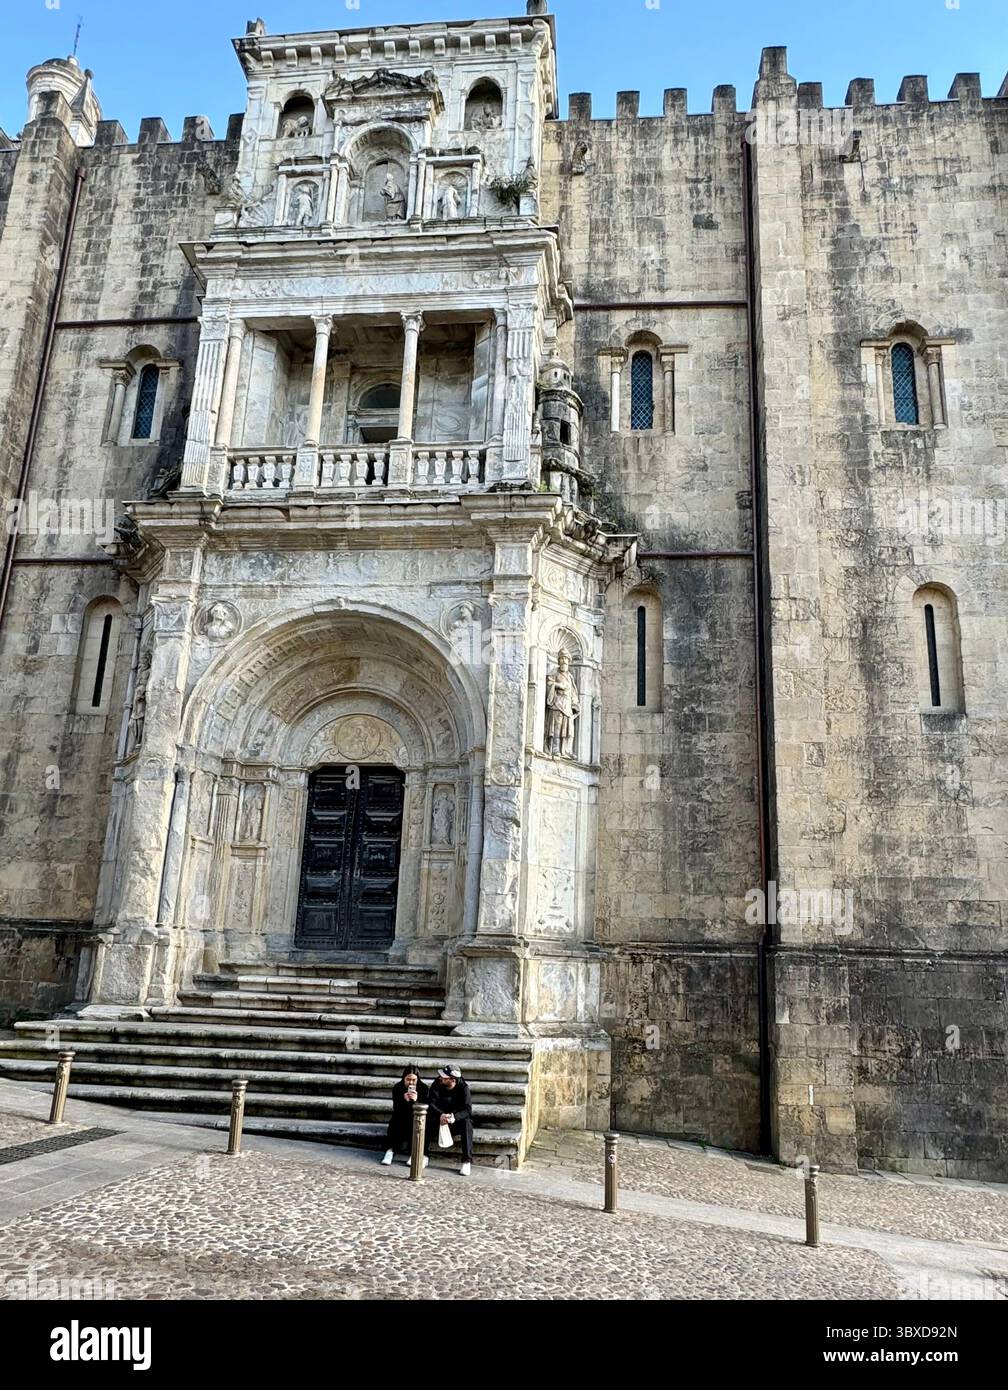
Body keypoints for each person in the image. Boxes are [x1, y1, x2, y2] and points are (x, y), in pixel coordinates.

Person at [425, 1064, 473, 1176]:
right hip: (437, 1119)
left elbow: (467, 1109)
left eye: (444, 1077)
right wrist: (440, 1115)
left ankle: (467, 1161)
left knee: (467, 1123)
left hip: (453, 1122)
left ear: (452, 1080)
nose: (440, 1077)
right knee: (424, 1118)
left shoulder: (463, 1088)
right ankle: (423, 1155)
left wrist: (453, 1117)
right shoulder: (437, 1083)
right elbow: (431, 1102)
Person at [381, 1065, 429, 1167]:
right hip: (401, 1115)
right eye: (408, 1079)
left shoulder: (423, 1088)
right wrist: (404, 1100)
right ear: (404, 1078)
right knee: (395, 1121)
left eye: (413, 1080)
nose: (411, 1083)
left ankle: (416, 1153)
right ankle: (390, 1150)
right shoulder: (398, 1087)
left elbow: (425, 1108)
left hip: (416, 1117)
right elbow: (396, 1108)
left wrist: (416, 1101)